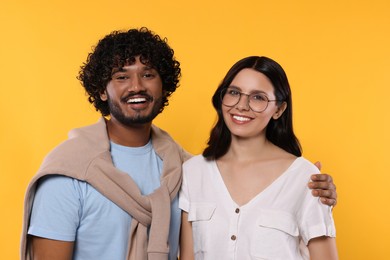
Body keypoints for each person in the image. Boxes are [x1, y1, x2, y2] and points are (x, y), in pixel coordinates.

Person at [20, 28, 337, 260]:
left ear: (163, 85)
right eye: (121, 77)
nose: (136, 86)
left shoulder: (185, 168)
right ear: (101, 91)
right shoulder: (69, 172)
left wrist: (312, 185)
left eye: (148, 74)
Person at [179, 56, 338, 259]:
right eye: (234, 93)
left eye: (258, 97)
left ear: (279, 110)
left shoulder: (306, 178)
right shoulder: (193, 172)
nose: (242, 106)